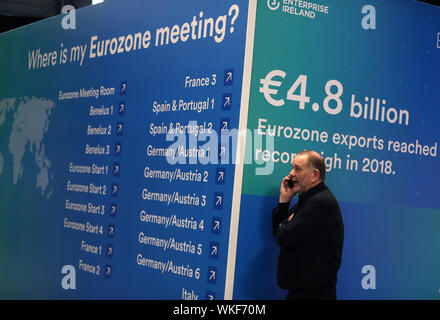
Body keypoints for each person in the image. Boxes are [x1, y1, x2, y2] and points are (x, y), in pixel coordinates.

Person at [272, 150, 344, 300]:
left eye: (298, 169)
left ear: (315, 175)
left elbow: (284, 236)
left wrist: (286, 225)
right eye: (292, 168)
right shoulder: (307, 200)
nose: (291, 173)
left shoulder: (320, 202)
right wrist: (284, 202)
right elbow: (279, 234)